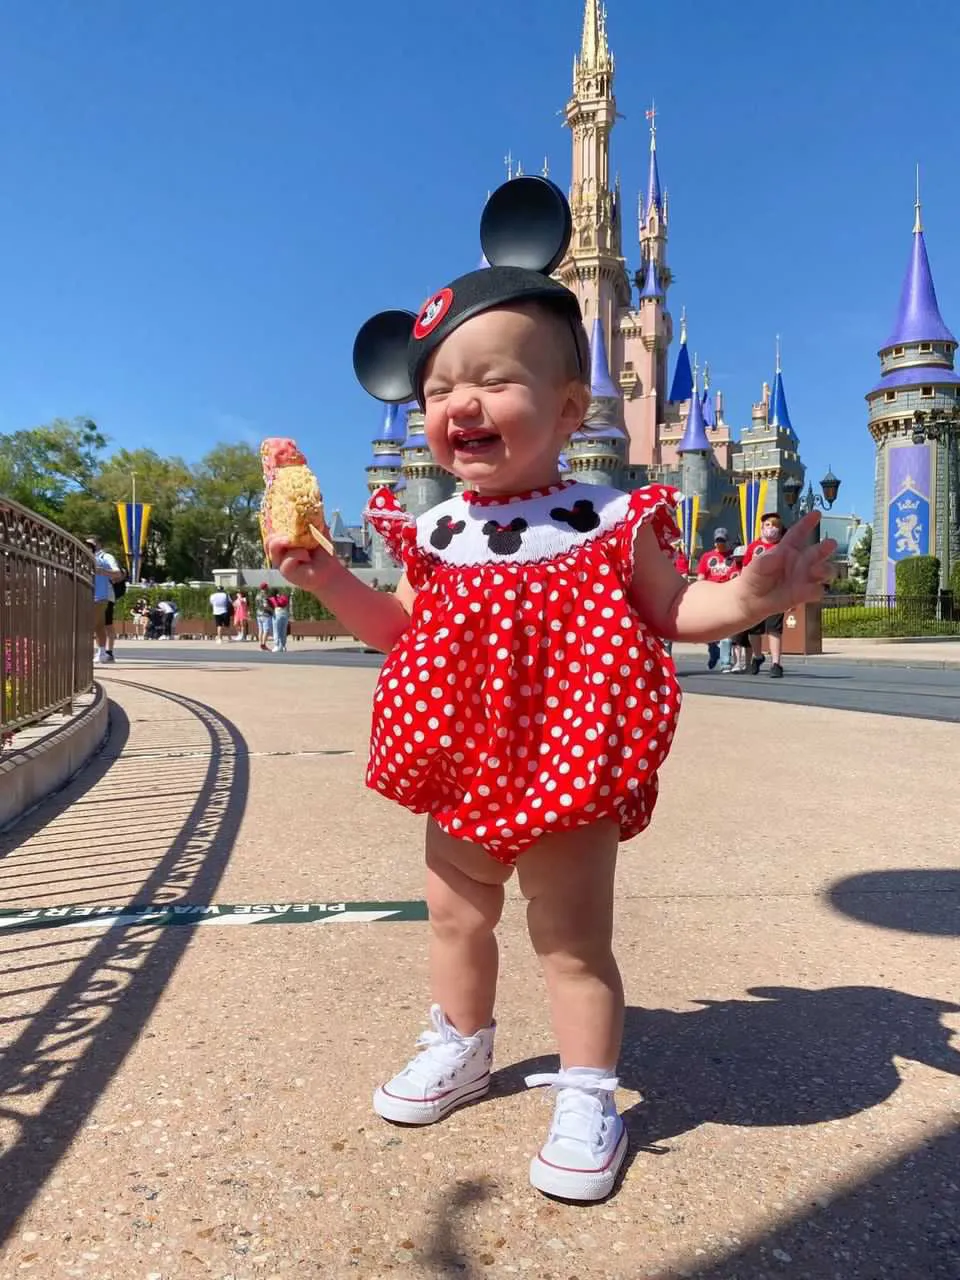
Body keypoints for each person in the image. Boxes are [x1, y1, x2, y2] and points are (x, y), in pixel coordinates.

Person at [268, 178, 834, 1202]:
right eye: (440, 390)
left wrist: (750, 592)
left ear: (572, 408)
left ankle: (586, 1087)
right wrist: (329, 579)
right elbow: (401, 632)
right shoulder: (436, 530)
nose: (460, 406)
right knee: (454, 913)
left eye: (492, 381)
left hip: (569, 756)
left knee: (570, 938)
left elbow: (675, 610)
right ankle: (463, 1040)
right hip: (463, 756)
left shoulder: (611, 514)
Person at [743, 513, 789, 678]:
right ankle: (757, 657)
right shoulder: (753, 547)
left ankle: (776, 664)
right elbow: (745, 569)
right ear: (762, 528)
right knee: (754, 629)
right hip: (756, 593)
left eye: (775, 525)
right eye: (768, 525)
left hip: (775, 593)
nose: (771, 528)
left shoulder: (783, 548)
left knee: (773, 629)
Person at [695, 528, 741, 673]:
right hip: (710, 595)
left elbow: (735, 575)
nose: (719, 544)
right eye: (718, 541)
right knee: (709, 630)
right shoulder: (707, 557)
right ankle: (713, 649)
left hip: (726, 595)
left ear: (727, 541)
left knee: (725, 630)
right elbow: (701, 576)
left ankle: (725, 663)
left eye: (722, 541)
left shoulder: (732, 558)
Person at [85, 536, 124, 664]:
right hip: (90, 595)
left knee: (103, 624)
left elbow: (118, 574)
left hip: (104, 595)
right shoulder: (84, 558)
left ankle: (107, 652)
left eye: (91, 545)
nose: (89, 547)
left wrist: (102, 571)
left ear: (98, 545)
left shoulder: (105, 558)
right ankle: (102, 652)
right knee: (99, 625)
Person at [255, 583, 274, 650]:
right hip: (265, 614)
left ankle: (260, 644)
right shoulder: (264, 595)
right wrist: (272, 610)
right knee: (266, 630)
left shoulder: (257, 595)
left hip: (258, 614)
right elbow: (265, 605)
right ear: (265, 588)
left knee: (260, 630)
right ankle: (263, 644)